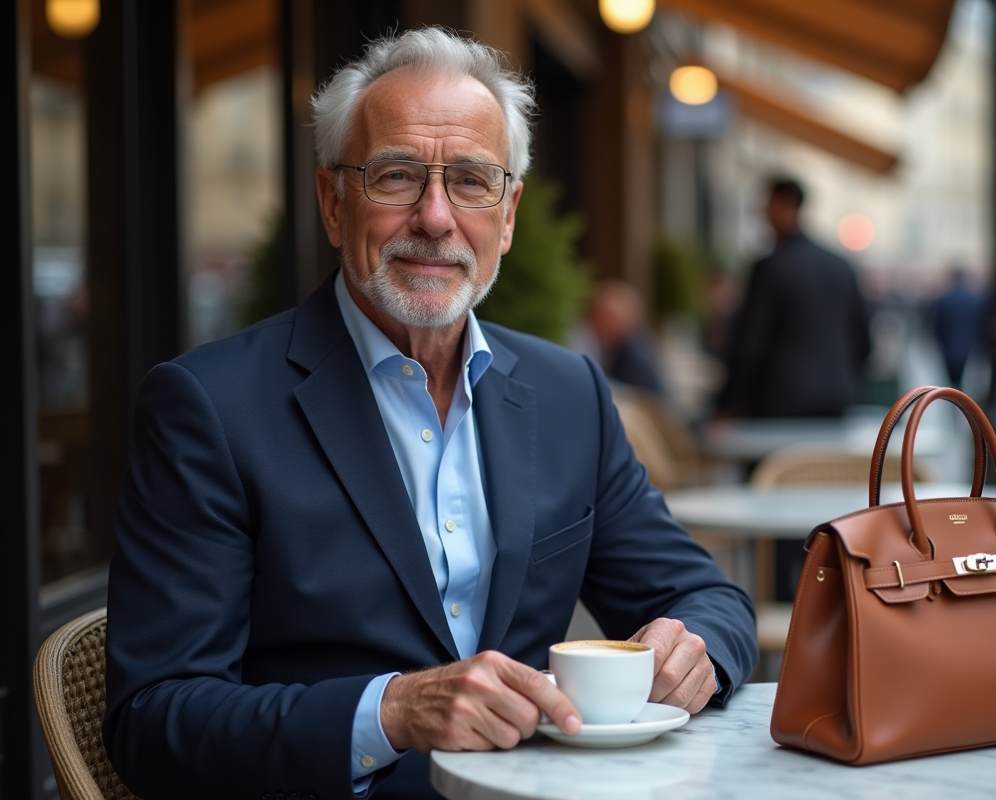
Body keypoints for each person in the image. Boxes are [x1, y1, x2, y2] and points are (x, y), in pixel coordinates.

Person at [102, 28, 757, 800]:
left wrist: (696, 649)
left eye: (472, 181)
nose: (436, 217)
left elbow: (709, 599)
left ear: (507, 216)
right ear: (332, 202)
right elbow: (154, 721)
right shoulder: (209, 407)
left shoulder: (567, 392)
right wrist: (389, 713)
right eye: (396, 176)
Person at [717, 177, 871, 417]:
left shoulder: (772, 267)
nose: (763, 214)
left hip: (781, 403)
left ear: (783, 204)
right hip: (838, 398)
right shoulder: (842, 266)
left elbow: (750, 344)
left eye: (767, 205)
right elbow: (864, 341)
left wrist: (728, 404)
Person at [586, 279, 665, 395]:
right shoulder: (629, 344)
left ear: (623, 319)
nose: (595, 322)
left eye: (603, 316)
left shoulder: (632, 358)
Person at [930, 266, 987, 389]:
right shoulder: (975, 299)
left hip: (948, 347)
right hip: (970, 347)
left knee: (952, 381)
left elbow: (937, 326)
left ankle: (954, 400)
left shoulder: (943, 299)